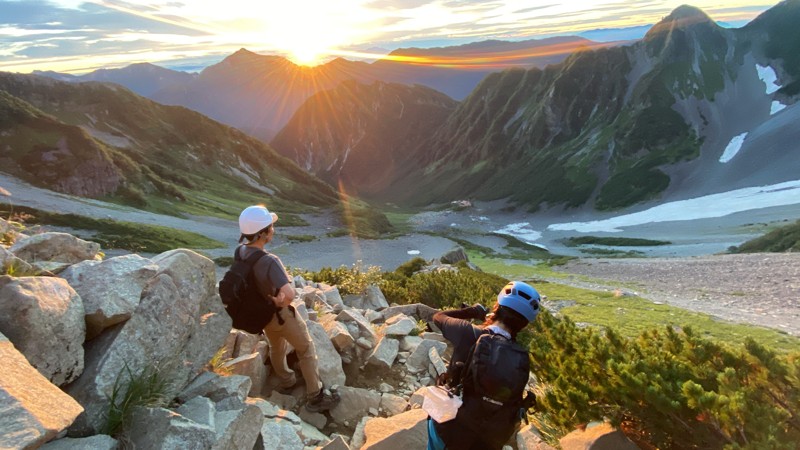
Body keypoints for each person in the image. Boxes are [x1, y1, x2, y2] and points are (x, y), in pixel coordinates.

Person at [237, 204, 340, 412]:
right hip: (280, 315)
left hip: (262, 317)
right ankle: (316, 396)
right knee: (306, 349)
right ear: (263, 233)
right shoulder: (270, 261)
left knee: (277, 347)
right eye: (270, 227)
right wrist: (280, 301)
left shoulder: (240, 252)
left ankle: (286, 380)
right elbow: (290, 294)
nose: (273, 230)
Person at [427, 280, 541, 450]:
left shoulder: (468, 332)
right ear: (524, 324)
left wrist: (474, 311)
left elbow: (438, 317)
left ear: (497, 306)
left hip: (450, 430)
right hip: (489, 439)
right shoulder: (519, 355)